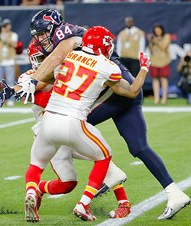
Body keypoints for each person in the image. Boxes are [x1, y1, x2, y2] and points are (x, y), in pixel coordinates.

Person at [0, 9, 190, 220]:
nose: (41, 39)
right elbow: (56, 74)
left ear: (55, 28)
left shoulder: (67, 36)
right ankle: (173, 192)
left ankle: (108, 183)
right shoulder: (72, 48)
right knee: (138, 147)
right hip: (126, 89)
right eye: (38, 36)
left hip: (113, 89)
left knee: (69, 124)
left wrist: (30, 81)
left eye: (43, 34)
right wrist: (15, 88)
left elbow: (59, 57)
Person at [23, 26, 151, 222]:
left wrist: (16, 87)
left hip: (48, 128)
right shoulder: (58, 66)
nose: (44, 63)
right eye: (40, 59)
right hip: (68, 124)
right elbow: (130, 90)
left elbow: (51, 74)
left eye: (45, 58)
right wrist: (143, 68)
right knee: (102, 157)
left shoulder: (62, 63)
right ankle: (87, 203)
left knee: (50, 169)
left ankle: (34, 190)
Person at [148, 24, 171, 105]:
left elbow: (164, 47)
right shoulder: (153, 38)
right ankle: (156, 98)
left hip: (163, 61)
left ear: (162, 30)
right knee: (155, 79)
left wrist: (156, 41)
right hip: (154, 61)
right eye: (156, 30)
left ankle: (164, 98)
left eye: (159, 30)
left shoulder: (166, 36)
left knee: (163, 79)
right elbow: (151, 49)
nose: (157, 32)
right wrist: (150, 41)